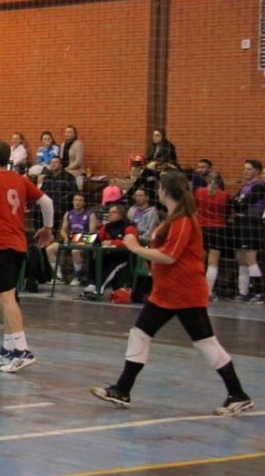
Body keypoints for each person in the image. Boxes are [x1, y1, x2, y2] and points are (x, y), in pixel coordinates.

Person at [90, 171, 253, 416]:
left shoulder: (184, 220)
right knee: (139, 334)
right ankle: (122, 389)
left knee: (206, 343)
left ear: (165, 191)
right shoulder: (172, 219)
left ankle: (238, 395)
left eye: (159, 188)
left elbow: (169, 256)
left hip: (185, 293)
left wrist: (135, 248)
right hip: (165, 293)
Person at [0, 141, 53, 373]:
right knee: (7, 297)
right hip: (18, 245)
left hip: (0, 246)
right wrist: (48, 227)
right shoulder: (21, 180)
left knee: (7, 299)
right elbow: (47, 202)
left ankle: (22, 350)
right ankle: (7, 350)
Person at [80, 203, 136, 299]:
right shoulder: (107, 227)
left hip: (123, 258)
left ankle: (98, 291)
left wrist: (112, 242)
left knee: (111, 267)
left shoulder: (129, 227)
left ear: (121, 214)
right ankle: (91, 286)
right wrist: (78, 239)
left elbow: (132, 242)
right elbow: (97, 238)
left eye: (113, 212)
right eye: (109, 212)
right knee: (94, 262)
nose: (110, 214)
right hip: (108, 255)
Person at [230, 158, 265, 302]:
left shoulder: (259, 187)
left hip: (252, 224)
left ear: (256, 171)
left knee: (251, 259)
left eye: (249, 169)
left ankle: (258, 293)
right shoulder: (244, 186)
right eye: (244, 168)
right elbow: (233, 203)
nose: (245, 171)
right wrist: (238, 202)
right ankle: (243, 292)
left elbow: (242, 205)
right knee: (241, 259)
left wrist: (238, 202)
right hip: (240, 224)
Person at [46, 192, 98, 286]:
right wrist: (66, 237)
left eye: (80, 200)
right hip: (70, 239)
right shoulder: (68, 213)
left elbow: (91, 234)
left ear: (84, 203)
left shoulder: (90, 215)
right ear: (73, 201)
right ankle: (58, 276)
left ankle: (77, 277)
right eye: (76, 200)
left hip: (85, 239)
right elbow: (63, 229)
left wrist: (73, 239)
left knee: (75, 251)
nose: (77, 202)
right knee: (49, 249)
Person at [196, 172, 231, 300]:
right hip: (218, 228)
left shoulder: (199, 191)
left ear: (206, 180)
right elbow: (227, 212)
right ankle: (208, 292)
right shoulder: (225, 195)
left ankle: (197, 289)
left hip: (202, 228)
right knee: (213, 262)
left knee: (200, 260)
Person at [38, 155, 75, 223]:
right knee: (36, 210)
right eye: (51, 162)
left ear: (61, 165)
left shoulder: (68, 177)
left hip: (61, 204)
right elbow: (42, 190)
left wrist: (60, 200)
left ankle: (52, 233)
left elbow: (73, 192)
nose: (53, 164)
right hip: (47, 202)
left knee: (53, 212)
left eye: (55, 162)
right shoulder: (47, 176)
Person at [62, 124, 85, 191]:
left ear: (75, 134)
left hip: (75, 170)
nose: (67, 134)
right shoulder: (63, 144)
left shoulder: (78, 144)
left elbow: (78, 162)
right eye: (66, 132)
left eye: (69, 132)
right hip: (64, 169)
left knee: (66, 176)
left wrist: (66, 168)